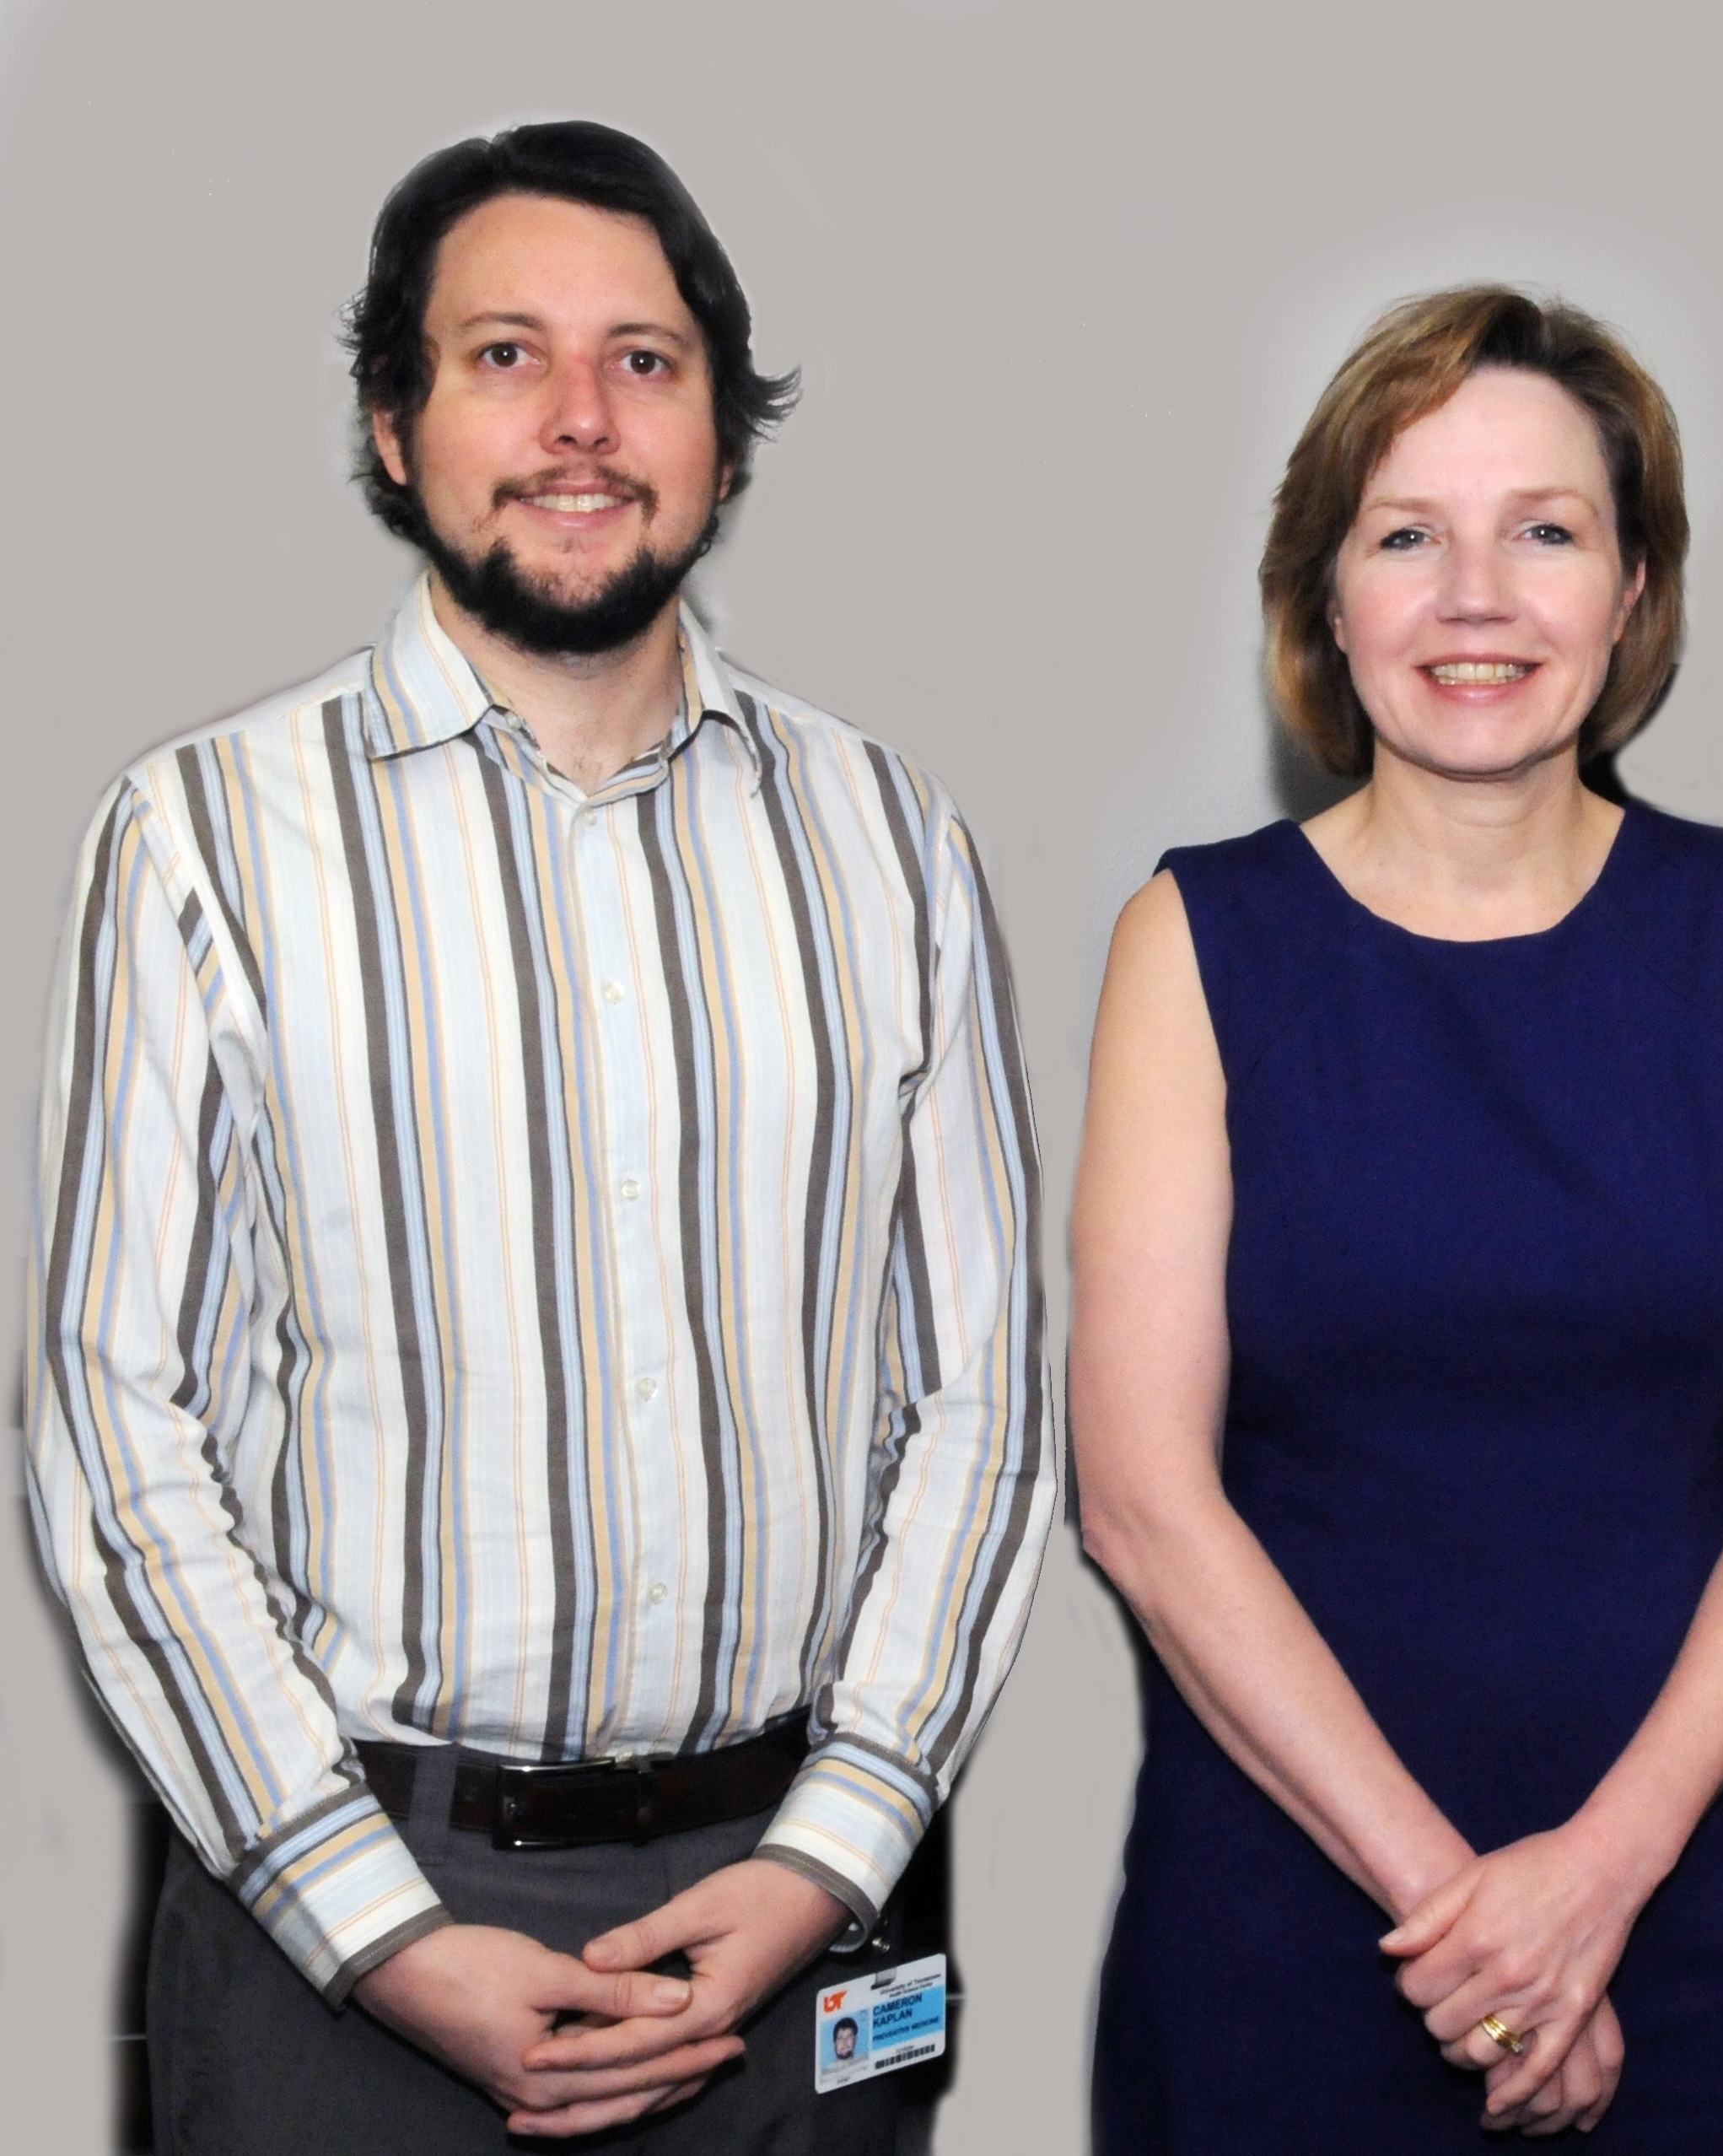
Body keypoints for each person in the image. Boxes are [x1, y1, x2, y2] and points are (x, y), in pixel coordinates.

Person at [23, 121, 1053, 2153]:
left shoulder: (892, 842)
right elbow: (111, 1417)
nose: (581, 421)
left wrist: (833, 1854)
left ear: (726, 440)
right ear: (393, 426)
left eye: (646, 362)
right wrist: (375, 1929)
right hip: (350, 1914)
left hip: (795, 1909)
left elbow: (987, 1393)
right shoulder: (203, 838)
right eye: (504, 355)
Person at [1073, 285, 1723, 2150]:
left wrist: (1594, 1882)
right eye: (1405, 535)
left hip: (1685, 1898)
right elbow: (1140, 1496)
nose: (1475, 597)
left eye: (1545, 531)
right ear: (1326, 597)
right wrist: (1467, 1915)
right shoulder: (1194, 944)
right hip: (1299, 1909)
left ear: (1630, 591)